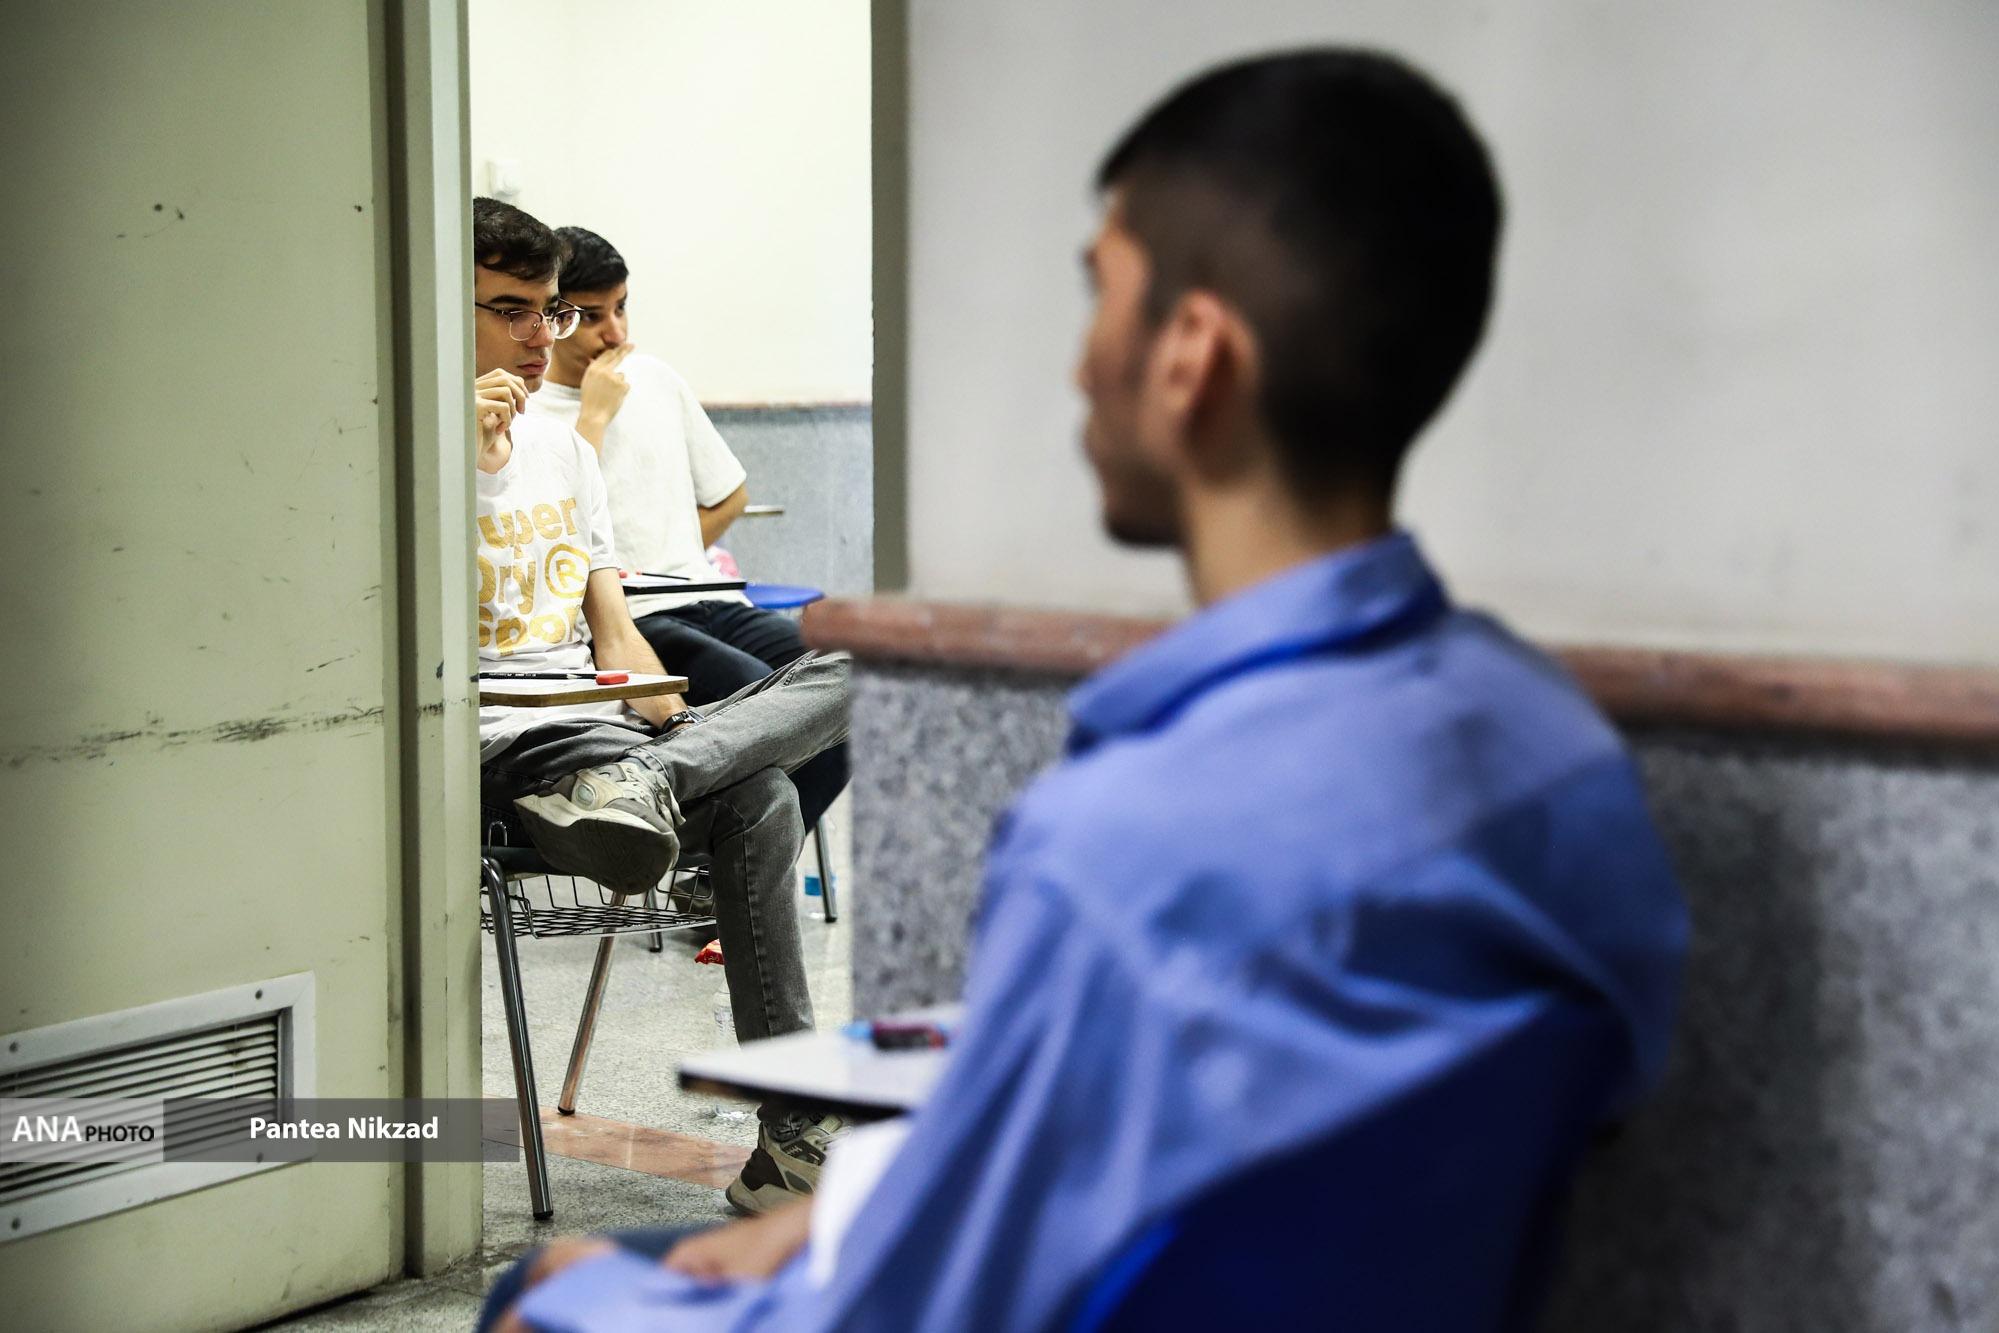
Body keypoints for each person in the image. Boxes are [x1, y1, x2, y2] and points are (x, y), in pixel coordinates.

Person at [483, 48, 1689, 1332]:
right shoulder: (1560, 756)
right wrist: (853, 1220)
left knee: (547, 1291)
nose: (1077, 366)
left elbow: (949, 1304)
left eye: (1100, 297)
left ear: (1193, 357)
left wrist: (603, 1297)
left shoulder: (1124, 841)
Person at [470, 196, 850, 1215]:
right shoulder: (401, 458)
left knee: (865, 674)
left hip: (603, 739)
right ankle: (796, 1138)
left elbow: (614, 633)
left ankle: (787, 1145)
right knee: (763, 791)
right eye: (510, 310)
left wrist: (671, 717)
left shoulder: (565, 452)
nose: (539, 335)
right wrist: (449, 460)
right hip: (500, 751)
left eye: (549, 310)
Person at [524, 225, 849, 832]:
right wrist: (594, 415)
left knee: (851, 697)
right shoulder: (532, 408)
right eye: (592, 316)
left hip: (709, 596)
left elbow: (731, 495)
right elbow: (556, 525)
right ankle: (721, 865)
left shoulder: (656, 379)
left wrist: (667, 548)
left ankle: (733, 867)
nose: (615, 333)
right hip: (634, 617)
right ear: (556, 317)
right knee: (766, 707)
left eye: (622, 308)